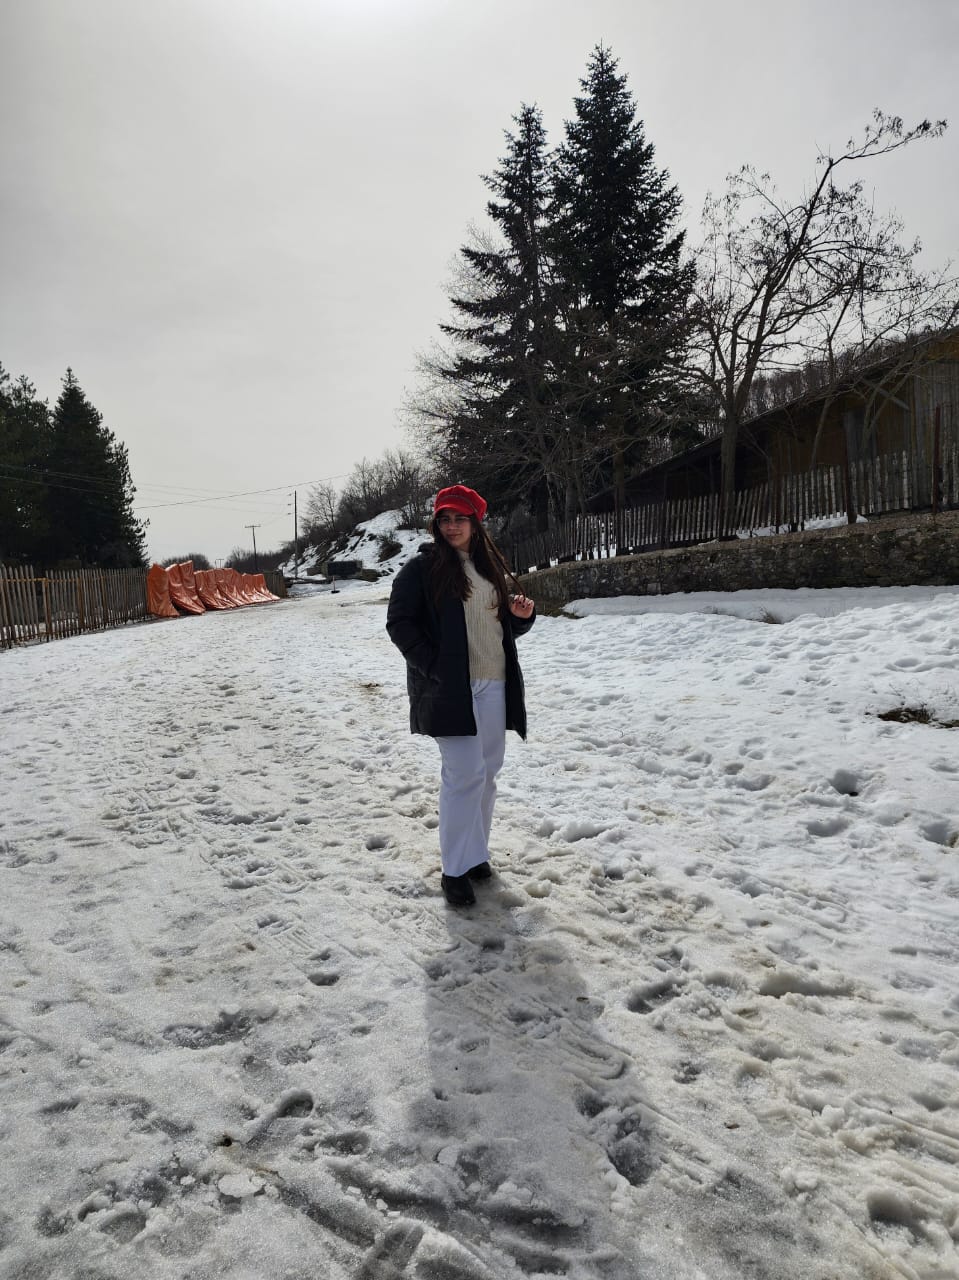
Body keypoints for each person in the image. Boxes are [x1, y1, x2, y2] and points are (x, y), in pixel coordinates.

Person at [386, 484, 536, 907]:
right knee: (465, 773)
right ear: (436, 524)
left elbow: (493, 627)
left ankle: (475, 855)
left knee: (487, 773)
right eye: (445, 519)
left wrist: (520, 619)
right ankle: (454, 870)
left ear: (475, 522)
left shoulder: (489, 568)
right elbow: (400, 624)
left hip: (494, 683)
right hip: (450, 689)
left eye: (460, 518)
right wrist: (434, 667)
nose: (452, 526)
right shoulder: (422, 569)